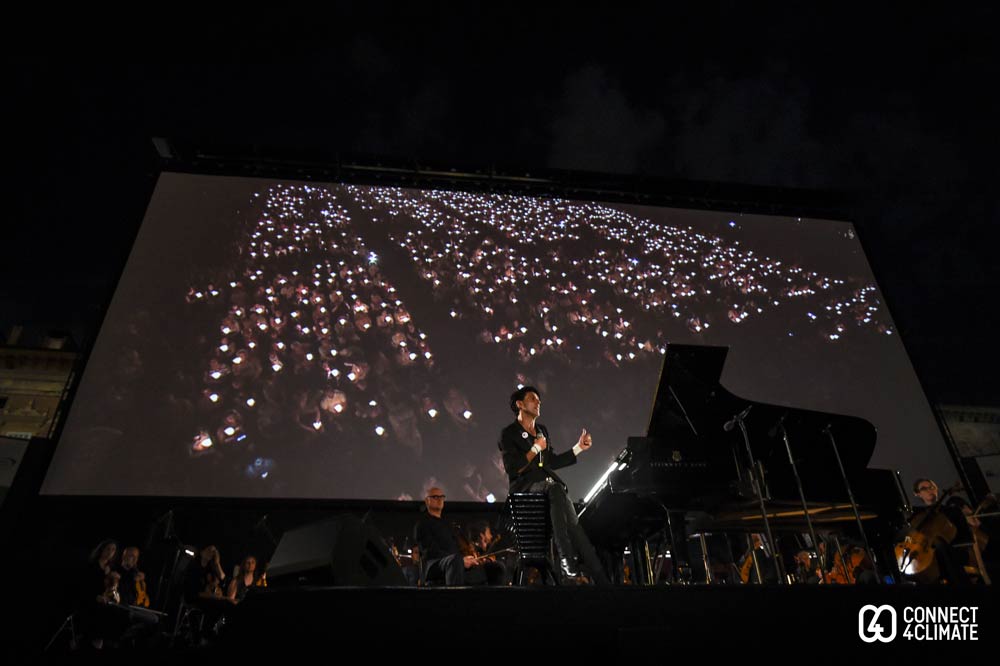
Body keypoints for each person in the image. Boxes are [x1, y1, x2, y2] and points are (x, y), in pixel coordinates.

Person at [498, 386, 609, 584]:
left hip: (550, 488)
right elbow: (513, 468)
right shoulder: (509, 433)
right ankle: (568, 565)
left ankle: (602, 579)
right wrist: (534, 448)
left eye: (539, 400)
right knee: (556, 489)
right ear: (520, 404)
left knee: (574, 526)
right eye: (533, 399)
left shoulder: (542, 431)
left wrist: (578, 448)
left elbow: (550, 462)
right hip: (525, 488)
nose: (538, 402)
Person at [413, 487, 478, 585]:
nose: (439, 499)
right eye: (435, 497)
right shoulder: (422, 524)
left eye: (442, 497)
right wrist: (460, 560)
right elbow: (430, 551)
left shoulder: (448, 524)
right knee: (455, 561)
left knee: (493, 567)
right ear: (427, 501)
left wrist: (467, 558)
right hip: (433, 564)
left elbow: (457, 547)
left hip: (453, 561)